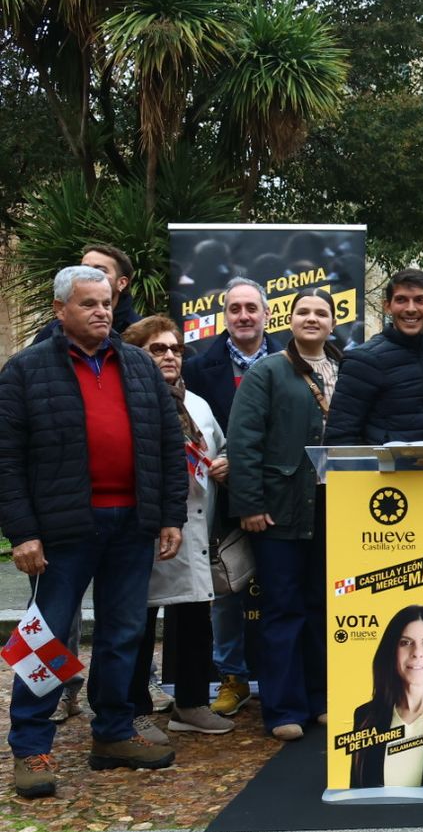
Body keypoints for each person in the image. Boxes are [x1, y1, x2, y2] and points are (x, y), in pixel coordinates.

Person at [1, 266, 185, 798]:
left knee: (124, 632)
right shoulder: (26, 370)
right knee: (47, 637)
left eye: (105, 302)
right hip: (61, 531)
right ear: (61, 310)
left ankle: (112, 732)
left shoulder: (137, 365)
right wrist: (22, 532)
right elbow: (7, 460)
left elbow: (166, 446)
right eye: (88, 304)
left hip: (131, 524)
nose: (102, 311)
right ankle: (31, 747)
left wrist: (169, 515)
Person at [228, 288, 342, 741]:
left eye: (321, 313)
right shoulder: (268, 372)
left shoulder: (346, 369)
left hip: (336, 510)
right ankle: (282, 709)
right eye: (303, 312)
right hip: (280, 511)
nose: (312, 319)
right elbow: (244, 441)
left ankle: (320, 700)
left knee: (321, 608)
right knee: (281, 610)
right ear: (288, 320)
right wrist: (250, 503)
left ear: (333, 322)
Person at [121, 317, 235, 738]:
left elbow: (219, 448)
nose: (169, 355)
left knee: (193, 620)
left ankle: (191, 703)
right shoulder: (129, 402)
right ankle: (133, 711)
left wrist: (227, 465)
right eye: (157, 349)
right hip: (145, 531)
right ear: (136, 354)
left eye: (175, 349)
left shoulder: (199, 405)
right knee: (138, 624)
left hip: (195, 531)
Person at [183, 277, 281, 719]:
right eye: (235, 309)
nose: (244, 316)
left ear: (266, 314)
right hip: (220, 498)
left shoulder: (290, 359)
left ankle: (287, 676)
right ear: (225, 315)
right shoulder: (199, 368)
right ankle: (232, 676)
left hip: (281, 496)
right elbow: (192, 429)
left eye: (251, 308)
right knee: (225, 590)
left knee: (285, 589)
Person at [324, 268, 423, 446]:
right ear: (387, 306)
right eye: (401, 300)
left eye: (420, 300)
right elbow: (340, 437)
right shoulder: (363, 360)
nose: (411, 309)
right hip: (385, 472)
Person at [347, 605, 423, 788]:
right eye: (405, 642)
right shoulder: (365, 716)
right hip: (379, 816)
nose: (417, 653)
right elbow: (358, 790)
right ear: (391, 650)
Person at [31, 244, 142, 344]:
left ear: (121, 283)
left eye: (101, 270)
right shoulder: (54, 330)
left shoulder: (142, 331)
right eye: (84, 270)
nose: (90, 275)